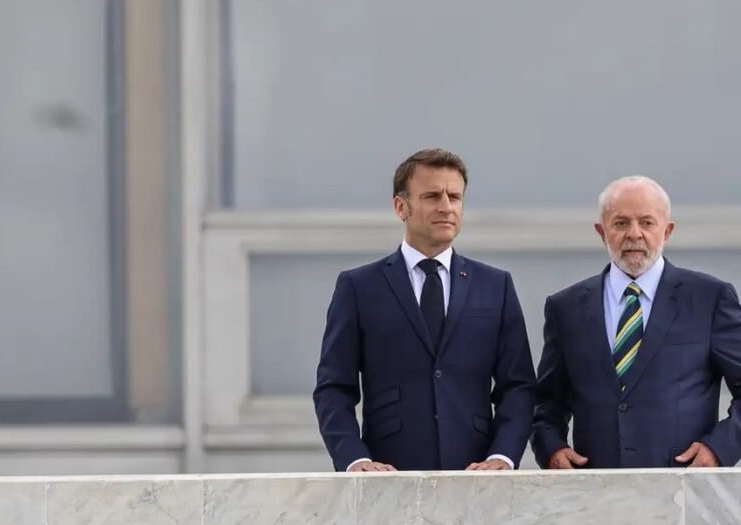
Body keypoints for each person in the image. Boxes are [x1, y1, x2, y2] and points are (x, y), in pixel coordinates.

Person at [313, 149, 536, 472]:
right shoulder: (358, 287)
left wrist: (502, 457)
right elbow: (334, 388)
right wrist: (354, 459)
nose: (446, 207)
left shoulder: (496, 286)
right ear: (401, 207)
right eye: (432, 196)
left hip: (477, 478)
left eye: (455, 197)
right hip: (387, 477)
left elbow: (518, 386)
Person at [531, 176, 741, 468]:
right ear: (601, 232)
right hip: (594, 492)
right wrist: (551, 448)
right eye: (620, 223)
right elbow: (547, 402)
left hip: (683, 489)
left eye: (647, 222)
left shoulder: (710, 298)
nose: (634, 234)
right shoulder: (565, 308)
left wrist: (718, 449)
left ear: (667, 231)